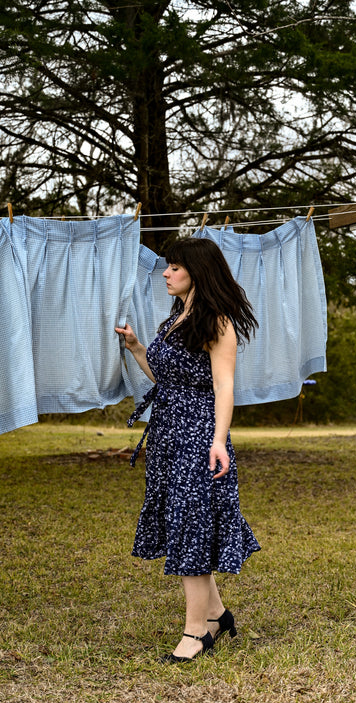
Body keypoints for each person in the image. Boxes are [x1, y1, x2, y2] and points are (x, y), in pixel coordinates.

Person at [115, 237, 260, 663]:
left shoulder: (217, 322)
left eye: (175, 267)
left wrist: (218, 441)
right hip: (167, 434)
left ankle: (196, 632)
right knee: (181, 523)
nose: (166, 273)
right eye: (167, 266)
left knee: (191, 525)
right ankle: (216, 616)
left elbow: (224, 386)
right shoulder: (177, 319)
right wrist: (139, 348)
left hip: (198, 434)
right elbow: (167, 376)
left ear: (197, 272)